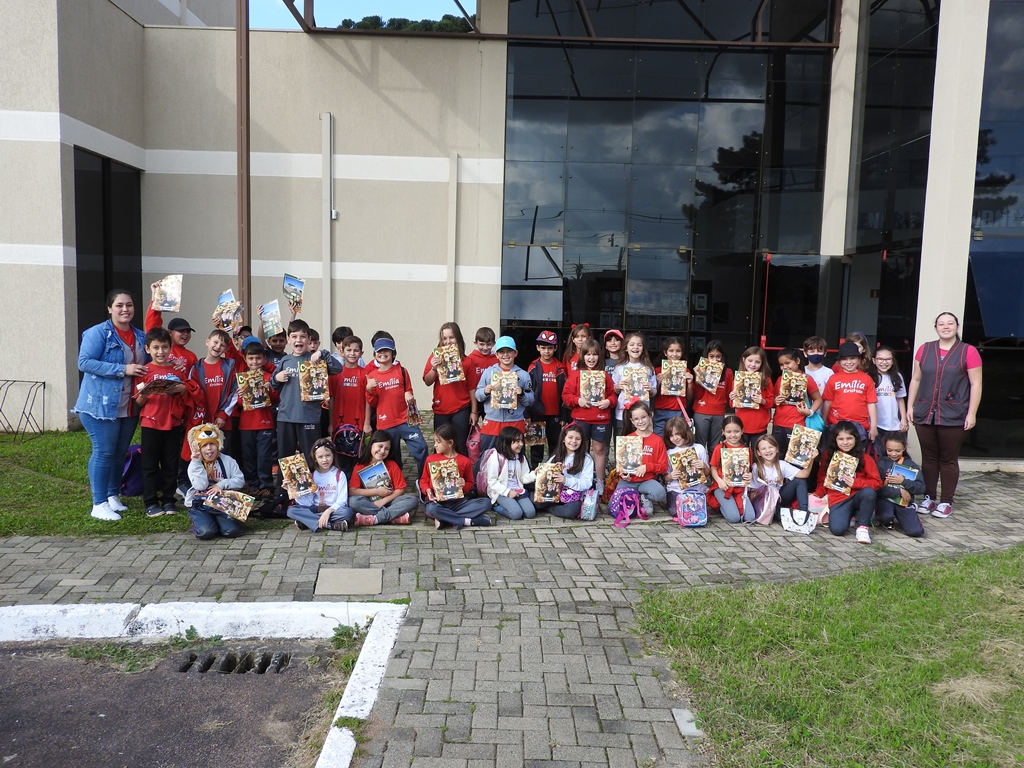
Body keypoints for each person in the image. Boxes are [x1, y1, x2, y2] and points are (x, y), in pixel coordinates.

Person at [73, 289, 148, 521]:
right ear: (109, 309)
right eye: (119, 305)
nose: (125, 309)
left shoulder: (140, 336)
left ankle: (113, 495)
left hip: (129, 406)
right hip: (100, 406)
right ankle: (99, 503)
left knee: (118, 452)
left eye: (129, 305)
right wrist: (122, 369)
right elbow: (84, 362)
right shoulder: (98, 333)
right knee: (104, 452)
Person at [906, 311, 982, 518]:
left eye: (950, 323)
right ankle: (929, 497)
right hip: (925, 412)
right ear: (936, 327)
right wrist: (910, 406)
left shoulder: (968, 351)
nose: (946, 327)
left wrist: (972, 413)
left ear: (957, 327)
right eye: (941, 324)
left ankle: (946, 501)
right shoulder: (924, 349)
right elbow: (916, 379)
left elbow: (976, 384)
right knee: (929, 458)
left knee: (948, 459)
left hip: (954, 413)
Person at [133, 327, 193, 517]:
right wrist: (146, 392)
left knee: (170, 464)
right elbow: (138, 402)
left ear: (170, 348)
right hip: (150, 423)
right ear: (148, 349)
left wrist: (181, 389)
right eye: (156, 347)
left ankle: (168, 500)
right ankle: (151, 502)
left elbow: (186, 394)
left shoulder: (177, 369)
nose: (161, 352)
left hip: (173, 423)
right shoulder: (144, 371)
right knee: (150, 465)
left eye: (165, 347)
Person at [272, 319, 343, 461]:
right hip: (286, 417)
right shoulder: (285, 360)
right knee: (286, 458)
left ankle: (312, 476)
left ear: (309, 340)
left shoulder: (315, 359)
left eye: (303, 337)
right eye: (294, 336)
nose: (298, 340)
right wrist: (277, 378)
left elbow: (337, 368)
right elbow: (273, 385)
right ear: (288, 340)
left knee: (311, 456)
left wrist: (322, 353)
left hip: (309, 417)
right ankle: (284, 478)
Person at [366, 336, 429, 479]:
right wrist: (369, 390)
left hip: (406, 420)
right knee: (392, 457)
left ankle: (424, 481)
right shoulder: (372, 376)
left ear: (393, 353)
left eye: (386, 351)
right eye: (379, 351)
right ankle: (397, 483)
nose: (383, 354)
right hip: (386, 423)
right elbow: (373, 403)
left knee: (421, 447)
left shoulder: (401, 371)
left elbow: (408, 390)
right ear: (374, 354)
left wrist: (409, 395)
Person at [815, 420, 882, 543]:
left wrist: (856, 483)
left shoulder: (865, 458)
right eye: (841, 439)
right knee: (837, 530)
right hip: (838, 498)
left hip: (858, 495)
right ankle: (850, 515)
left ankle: (863, 528)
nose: (845, 442)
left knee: (869, 493)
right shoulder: (828, 455)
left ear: (856, 439)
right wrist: (818, 493)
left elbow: (877, 483)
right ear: (835, 440)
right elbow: (822, 478)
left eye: (849, 438)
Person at [562, 339, 616, 487]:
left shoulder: (605, 376)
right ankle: (581, 480)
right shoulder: (576, 375)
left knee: (599, 449)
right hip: (581, 418)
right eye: (588, 354)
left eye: (594, 354)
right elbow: (566, 396)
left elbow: (613, 396)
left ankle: (600, 482)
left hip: (601, 419)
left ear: (599, 356)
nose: (591, 358)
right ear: (582, 356)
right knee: (581, 449)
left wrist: (608, 402)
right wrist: (577, 400)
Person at [420, 424, 492, 529]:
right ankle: (467, 521)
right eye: (435, 441)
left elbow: (470, 483)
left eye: (438, 442)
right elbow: (423, 480)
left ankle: (445, 518)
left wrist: (464, 484)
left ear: (450, 443)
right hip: (437, 502)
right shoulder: (431, 459)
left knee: (486, 503)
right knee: (431, 509)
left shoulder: (464, 461)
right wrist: (427, 490)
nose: (435, 445)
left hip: (458, 502)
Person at [184, 423, 247, 540]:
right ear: (198, 447)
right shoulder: (194, 465)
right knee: (206, 532)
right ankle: (203, 521)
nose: (209, 448)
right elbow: (200, 486)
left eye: (212, 444)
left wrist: (221, 485)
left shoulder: (228, 461)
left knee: (231, 531)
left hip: (224, 504)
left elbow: (240, 481)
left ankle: (220, 522)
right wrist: (197, 463)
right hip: (201, 505)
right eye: (204, 445)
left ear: (218, 444)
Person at [475, 336, 535, 456]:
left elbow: (531, 400)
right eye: (501, 352)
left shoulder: (523, 375)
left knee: (515, 457)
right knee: (487, 457)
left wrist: (522, 394)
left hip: (515, 422)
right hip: (492, 422)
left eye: (509, 351)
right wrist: (485, 391)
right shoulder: (489, 372)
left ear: (515, 353)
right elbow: (478, 395)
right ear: (496, 355)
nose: (505, 355)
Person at [423, 322, 473, 455]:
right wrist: (434, 368)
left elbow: (472, 388)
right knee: (440, 444)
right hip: (441, 408)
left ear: (458, 338)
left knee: (460, 444)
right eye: (444, 338)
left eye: (451, 337)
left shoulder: (467, 361)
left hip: (461, 408)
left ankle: (462, 468)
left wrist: (474, 411)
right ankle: (439, 468)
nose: (448, 341)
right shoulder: (434, 357)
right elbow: (427, 381)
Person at [349, 430, 418, 526]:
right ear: (371, 444)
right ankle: (393, 516)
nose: (382, 451)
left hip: (390, 501)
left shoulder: (392, 465)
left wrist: (383, 501)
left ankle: (375, 518)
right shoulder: (360, 466)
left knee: (412, 500)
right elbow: (352, 491)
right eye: (380, 446)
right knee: (353, 502)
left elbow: (400, 489)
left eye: (387, 449)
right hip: (369, 503)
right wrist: (377, 492)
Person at [237, 340, 278, 498]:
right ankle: (253, 485)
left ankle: (266, 485)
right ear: (245, 359)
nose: (255, 362)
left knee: (264, 456)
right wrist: (241, 396)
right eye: (251, 358)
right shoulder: (241, 379)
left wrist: (270, 391)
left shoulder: (268, 377)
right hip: (246, 425)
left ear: (264, 359)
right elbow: (238, 405)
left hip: (265, 423)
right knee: (249, 457)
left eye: (258, 358)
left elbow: (276, 400)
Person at [286, 437, 353, 532]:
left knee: (347, 512)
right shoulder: (311, 476)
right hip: (314, 508)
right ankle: (331, 525)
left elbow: (342, 501)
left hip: (333, 509)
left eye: (328, 455)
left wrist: (328, 512)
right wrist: (293, 490)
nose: (325, 460)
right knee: (292, 510)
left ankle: (307, 521)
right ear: (315, 459)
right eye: (320, 457)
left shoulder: (339, 475)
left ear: (333, 455)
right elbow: (307, 503)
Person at [615, 400, 669, 515]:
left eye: (643, 417)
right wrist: (623, 474)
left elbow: (663, 467)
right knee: (615, 507)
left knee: (660, 494)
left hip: (647, 480)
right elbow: (621, 466)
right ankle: (635, 497)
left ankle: (644, 497)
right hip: (629, 481)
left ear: (650, 416)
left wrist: (647, 467)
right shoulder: (627, 439)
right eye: (636, 419)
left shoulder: (658, 440)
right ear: (632, 421)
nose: (640, 421)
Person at [534, 423, 596, 519]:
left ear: (582, 441)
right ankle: (550, 505)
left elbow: (587, 483)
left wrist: (566, 480)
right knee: (536, 502)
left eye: (578, 439)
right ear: (563, 439)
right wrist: (539, 472)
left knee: (571, 511)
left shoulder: (586, 459)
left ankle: (549, 508)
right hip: (555, 492)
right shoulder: (556, 456)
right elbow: (546, 473)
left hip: (574, 496)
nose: (573, 441)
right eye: (570, 437)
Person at [748, 434, 814, 524]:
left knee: (800, 480)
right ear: (758, 453)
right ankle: (777, 513)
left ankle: (803, 513)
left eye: (771, 447)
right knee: (781, 517)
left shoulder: (782, 464)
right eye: (763, 449)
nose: (768, 450)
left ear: (777, 449)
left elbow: (804, 474)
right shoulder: (756, 467)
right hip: (765, 502)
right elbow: (752, 492)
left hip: (779, 499)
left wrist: (811, 458)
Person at [821, 341, 878, 445]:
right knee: (835, 453)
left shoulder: (866, 379)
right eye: (844, 359)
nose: (849, 362)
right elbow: (828, 402)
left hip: (860, 426)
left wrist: (873, 427)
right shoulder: (833, 378)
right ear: (839, 361)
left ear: (859, 360)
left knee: (858, 453)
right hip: (836, 424)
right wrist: (823, 423)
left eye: (852, 358)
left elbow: (871, 403)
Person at [772, 348, 822, 456]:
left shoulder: (807, 378)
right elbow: (774, 399)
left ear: (798, 361)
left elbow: (818, 399)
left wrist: (810, 412)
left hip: (798, 424)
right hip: (778, 424)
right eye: (781, 365)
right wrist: (776, 400)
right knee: (778, 457)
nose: (784, 367)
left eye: (787, 363)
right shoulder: (780, 379)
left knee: (795, 458)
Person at [874, 433, 925, 537]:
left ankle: (911, 515)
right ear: (885, 448)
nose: (893, 454)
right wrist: (899, 491)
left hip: (904, 502)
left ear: (904, 448)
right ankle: (884, 519)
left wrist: (903, 481)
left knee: (915, 532)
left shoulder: (911, 465)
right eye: (889, 450)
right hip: (885, 500)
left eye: (898, 451)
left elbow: (921, 488)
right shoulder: (881, 464)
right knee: (886, 517)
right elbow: (877, 488)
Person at [481, 426, 537, 520]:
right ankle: (496, 506)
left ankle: (514, 504)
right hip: (501, 491)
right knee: (516, 514)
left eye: (521, 441)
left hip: (518, 490)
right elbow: (492, 481)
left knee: (530, 513)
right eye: (517, 441)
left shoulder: (520, 457)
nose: (521, 444)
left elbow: (523, 477)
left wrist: (535, 474)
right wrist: (508, 492)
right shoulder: (496, 457)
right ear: (506, 442)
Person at [526, 330, 565, 465]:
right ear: (538, 348)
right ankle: (535, 472)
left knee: (555, 444)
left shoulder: (560, 367)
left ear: (555, 348)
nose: (546, 351)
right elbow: (527, 391)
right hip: (537, 412)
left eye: (550, 348)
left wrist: (564, 415)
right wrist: (527, 414)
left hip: (555, 413)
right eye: (543, 348)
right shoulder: (533, 367)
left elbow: (564, 393)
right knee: (536, 445)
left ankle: (553, 470)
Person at [708, 415, 754, 524]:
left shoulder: (746, 449)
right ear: (723, 432)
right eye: (729, 432)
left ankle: (731, 505)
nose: (733, 435)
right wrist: (719, 481)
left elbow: (748, 469)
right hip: (722, 487)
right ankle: (721, 504)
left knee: (750, 517)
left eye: (736, 431)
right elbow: (713, 468)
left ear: (742, 431)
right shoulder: (719, 448)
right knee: (734, 518)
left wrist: (749, 475)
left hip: (740, 488)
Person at [692, 340, 733, 454]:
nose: (715, 359)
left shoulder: (728, 373)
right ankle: (701, 466)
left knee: (714, 446)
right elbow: (697, 395)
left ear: (722, 357)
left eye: (718, 356)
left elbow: (729, 394)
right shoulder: (700, 370)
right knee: (699, 445)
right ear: (706, 357)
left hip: (718, 412)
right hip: (701, 411)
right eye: (711, 356)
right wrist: (698, 381)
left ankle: (713, 466)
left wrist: (734, 398)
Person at [612, 332, 657, 434]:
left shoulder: (648, 368)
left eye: (639, 345)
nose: (635, 347)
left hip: (642, 414)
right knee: (622, 441)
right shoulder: (619, 367)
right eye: (632, 344)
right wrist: (618, 386)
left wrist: (650, 390)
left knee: (641, 440)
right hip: (622, 411)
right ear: (626, 348)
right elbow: (612, 389)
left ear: (643, 349)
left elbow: (654, 391)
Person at [663, 416, 709, 514]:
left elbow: (707, 474)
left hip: (697, 489)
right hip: (677, 490)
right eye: (671, 435)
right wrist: (671, 476)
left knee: (697, 510)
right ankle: (670, 504)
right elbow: (665, 478)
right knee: (677, 512)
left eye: (677, 434)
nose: (675, 438)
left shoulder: (699, 448)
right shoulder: (669, 452)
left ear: (685, 432)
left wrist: (704, 466)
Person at [729, 346, 774, 445]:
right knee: (741, 452)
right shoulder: (737, 380)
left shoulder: (766, 380)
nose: (753, 364)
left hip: (759, 426)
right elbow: (732, 405)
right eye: (750, 361)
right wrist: (732, 398)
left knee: (757, 452)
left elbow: (771, 402)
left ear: (762, 363)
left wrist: (763, 401)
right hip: (741, 425)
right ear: (744, 360)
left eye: (757, 362)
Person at [871, 345, 908, 455]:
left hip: (893, 424)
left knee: (893, 454)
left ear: (893, 361)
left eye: (888, 359)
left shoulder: (897, 376)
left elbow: (900, 398)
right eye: (880, 359)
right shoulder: (869, 377)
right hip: (875, 424)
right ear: (874, 360)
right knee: (877, 454)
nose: (884, 362)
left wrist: (904, 419)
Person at [653, 336, 692, 438]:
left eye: (678, 351)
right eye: (671, 351)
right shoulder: (658, 370)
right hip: (660, 410)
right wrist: (658, 382)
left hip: (678, 410)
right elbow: (652, 394)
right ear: (665, 353)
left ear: (682, 353)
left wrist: (690, 383)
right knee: (659, 438)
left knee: (676, 439)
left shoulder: (686, 371)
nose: (674, 354)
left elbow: (689, 397)